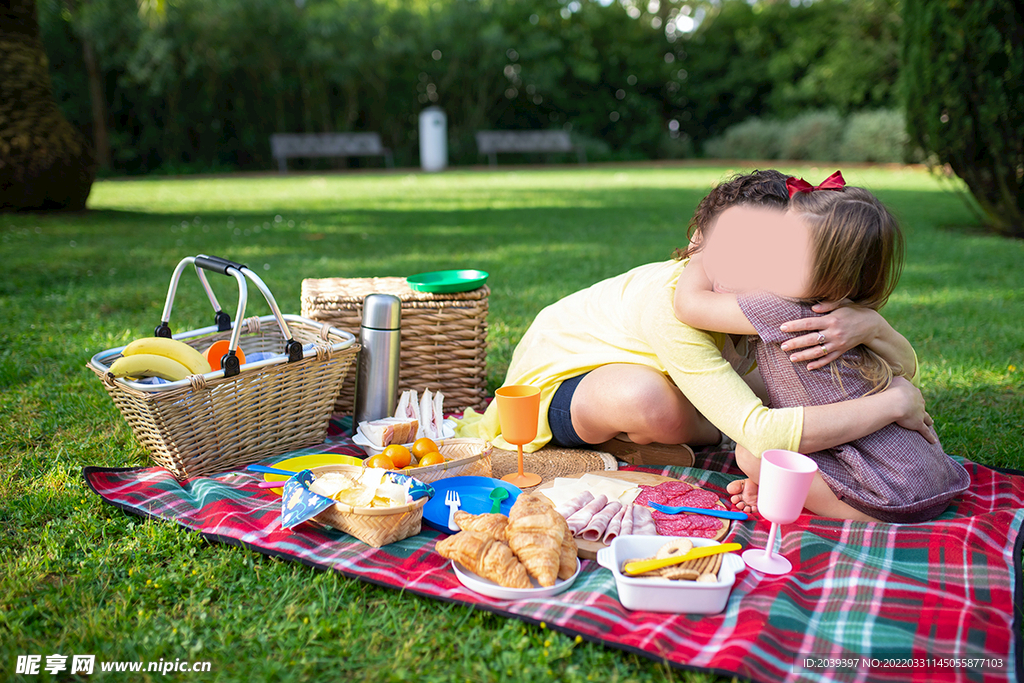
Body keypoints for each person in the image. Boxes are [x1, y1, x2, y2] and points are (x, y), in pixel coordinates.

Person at [476, 170, 935, 467]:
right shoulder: (676, 305)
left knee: (777, 388)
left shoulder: (778, 302)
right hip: (554, 389)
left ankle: (677, 432)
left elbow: (891, 368)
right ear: (698, 240)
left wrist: (871, 326)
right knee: (646, 397)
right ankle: (675, 432)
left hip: (665, 375)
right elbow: (761, 433)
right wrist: (892, 404)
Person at [673, 177, 969, 522]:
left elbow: (689, 305)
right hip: (919, 470)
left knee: (753, 453)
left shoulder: (779, 306)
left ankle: (861, 515)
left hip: (892, 489)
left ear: (832, 274)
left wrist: (702, 253)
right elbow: (904, 364)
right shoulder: (841, 307)